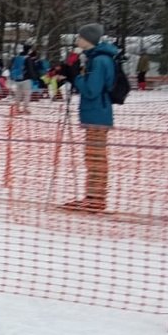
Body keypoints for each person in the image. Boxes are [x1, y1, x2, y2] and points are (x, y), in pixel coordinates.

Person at [56, 22, 118, 212]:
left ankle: (96, 198)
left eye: (79, 37)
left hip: (97, 114)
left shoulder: (99, 61)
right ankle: (92, 196)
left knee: (96, 158)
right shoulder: (94, 58)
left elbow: (92, 90)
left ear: (87, 39)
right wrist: (71, 75)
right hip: (94, 114)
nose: (77, 40)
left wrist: (75, 77)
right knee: (92, 157)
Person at [10, 45, 33, 114]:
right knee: (27, 94)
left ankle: (16, 109)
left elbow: (11, 67)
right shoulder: (27, 58)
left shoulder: (16, 57)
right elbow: (30, 69)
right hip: (26, 79)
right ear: (28, 50)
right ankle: (25, 109)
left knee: (18, 94)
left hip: (17, 79)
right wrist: (34, 77)